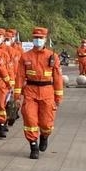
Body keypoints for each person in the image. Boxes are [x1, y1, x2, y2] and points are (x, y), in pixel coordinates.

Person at [14, 27, 64, 159]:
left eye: (40, 38)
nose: (38, 40)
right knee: (30, 119)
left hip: (47, 92)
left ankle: (44, 136)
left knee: (47, 123)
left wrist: (58, 96)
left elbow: (58, 77)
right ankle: (33, 145)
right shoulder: (25, 56)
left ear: (45, 40)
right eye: (36, 37)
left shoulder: (52, 56)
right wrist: (17, 95)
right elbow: (19, 76)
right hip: (30, 91)